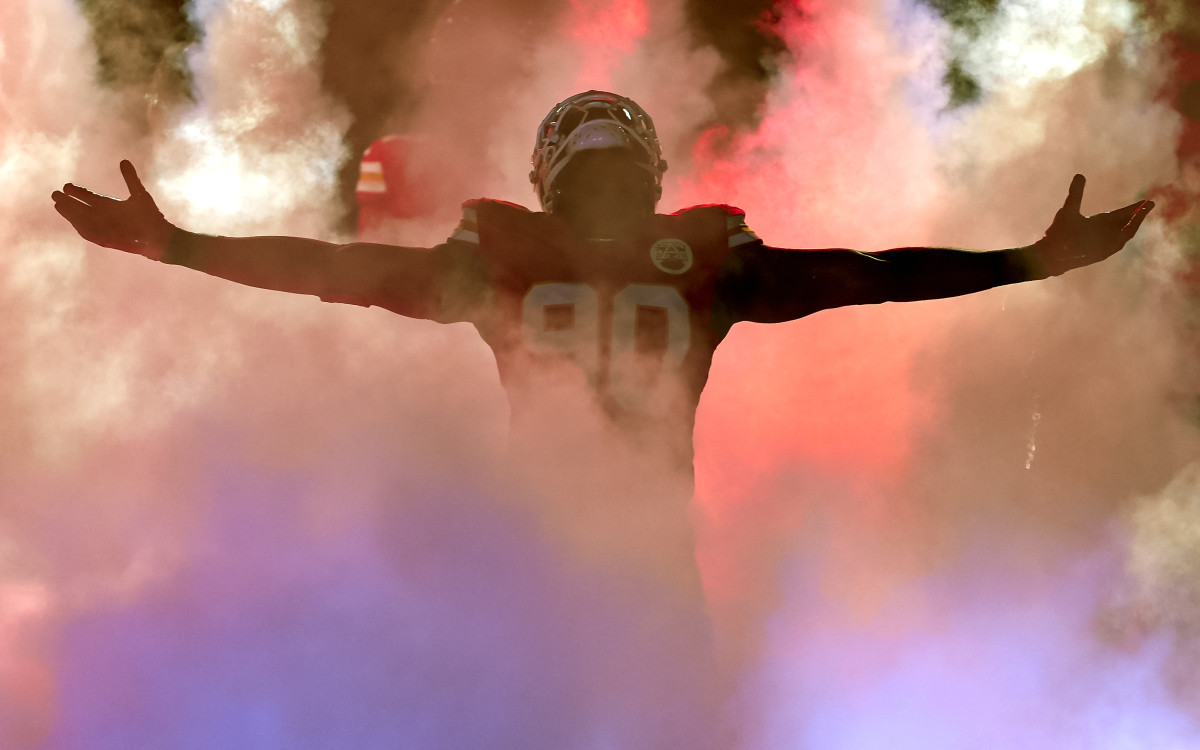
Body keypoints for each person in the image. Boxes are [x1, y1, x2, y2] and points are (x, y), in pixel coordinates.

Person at [51, 89, 1153, 593]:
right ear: (648, 175)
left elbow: (333, 273)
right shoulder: (711, 269)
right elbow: (875, 279)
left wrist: (183, 245)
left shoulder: (496, 268)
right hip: (635, 572)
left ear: (548, 177)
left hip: (541, 571)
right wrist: (1031, 262)